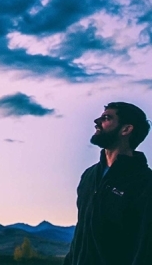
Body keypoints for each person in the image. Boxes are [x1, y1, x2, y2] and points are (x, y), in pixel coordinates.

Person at [64, 102, 152, 265]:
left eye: (106, 118)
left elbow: (146, 247)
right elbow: (81, 234)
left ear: (126, 129)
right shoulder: (89, 176)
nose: (97, 121)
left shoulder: (145, 182)